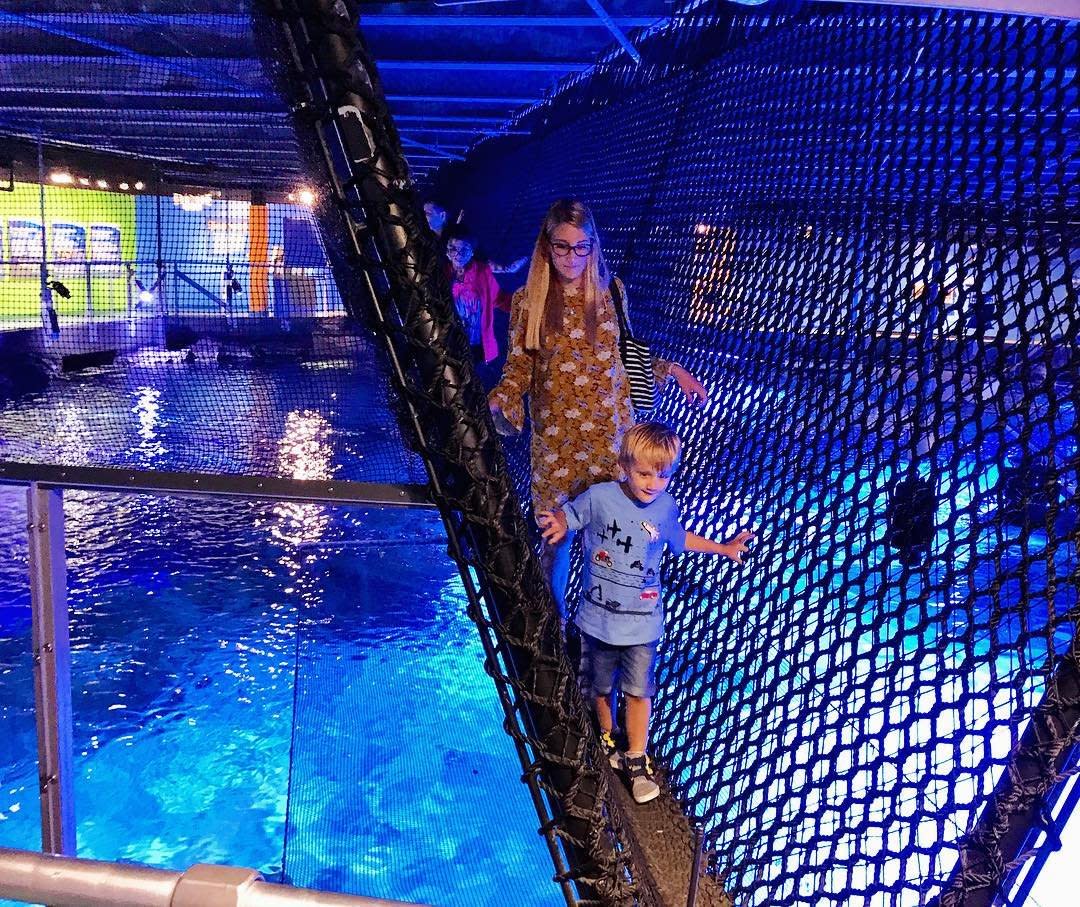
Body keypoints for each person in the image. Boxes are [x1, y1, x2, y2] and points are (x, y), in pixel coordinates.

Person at [488, 198, 708, 615]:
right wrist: (503, 399)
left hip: (611, 438)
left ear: (594, 246)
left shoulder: (611, 292)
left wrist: (674, 370)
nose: (572, 257)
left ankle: (600, 629)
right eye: (562, 246)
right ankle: (554, 628)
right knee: (555, 539)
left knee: (612, 542)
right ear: (546, 246)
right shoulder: (527, 301)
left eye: (581, 246)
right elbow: (519, 369)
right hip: (557, 445)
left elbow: (627, 357)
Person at [538, 422, 752, 803]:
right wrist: (557, 522)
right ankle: (607, 736)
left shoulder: (666, 506)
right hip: (597, 619)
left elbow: (679, 538)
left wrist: (724, 548)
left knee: (639, 692)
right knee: (600, 687)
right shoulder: (600, 497)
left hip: (643, 623)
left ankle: (636, 756)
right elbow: (571, 515)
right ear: (624, 465)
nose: (654, 483)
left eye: (664, 474)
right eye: (644, 473)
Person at [444, 222, 504, 387]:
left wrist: (521, 303)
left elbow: (497, 298)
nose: (457, 254)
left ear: (471, 253)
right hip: (450, 340)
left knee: (471, 383)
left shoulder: (482, 272)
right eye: (453, 249)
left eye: (463, 250)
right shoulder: (442, 272)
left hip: (476, 343)